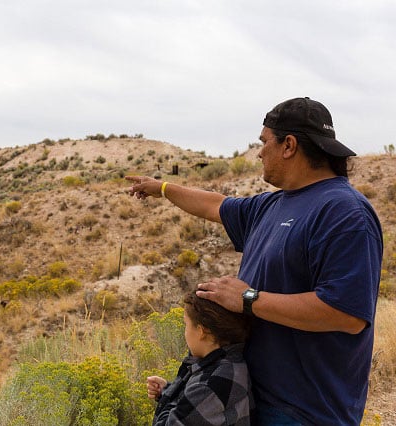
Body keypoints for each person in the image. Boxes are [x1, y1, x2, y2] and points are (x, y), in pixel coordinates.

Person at [128, 97, 383, 425]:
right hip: (249, 399)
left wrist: (248, 299)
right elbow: (214, 206)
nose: (259, 152)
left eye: (264, 142)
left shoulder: (344, 213)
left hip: (303, 412)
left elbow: (347, 314)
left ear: (289, 145)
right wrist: (162, 188)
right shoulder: (271, 206)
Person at [148, 291, 253, 425]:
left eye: (186, 324)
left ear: (202, 331)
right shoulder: (228, 364)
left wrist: (170, 397)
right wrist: (168, 390)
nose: (184, 332)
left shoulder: (211, 384)